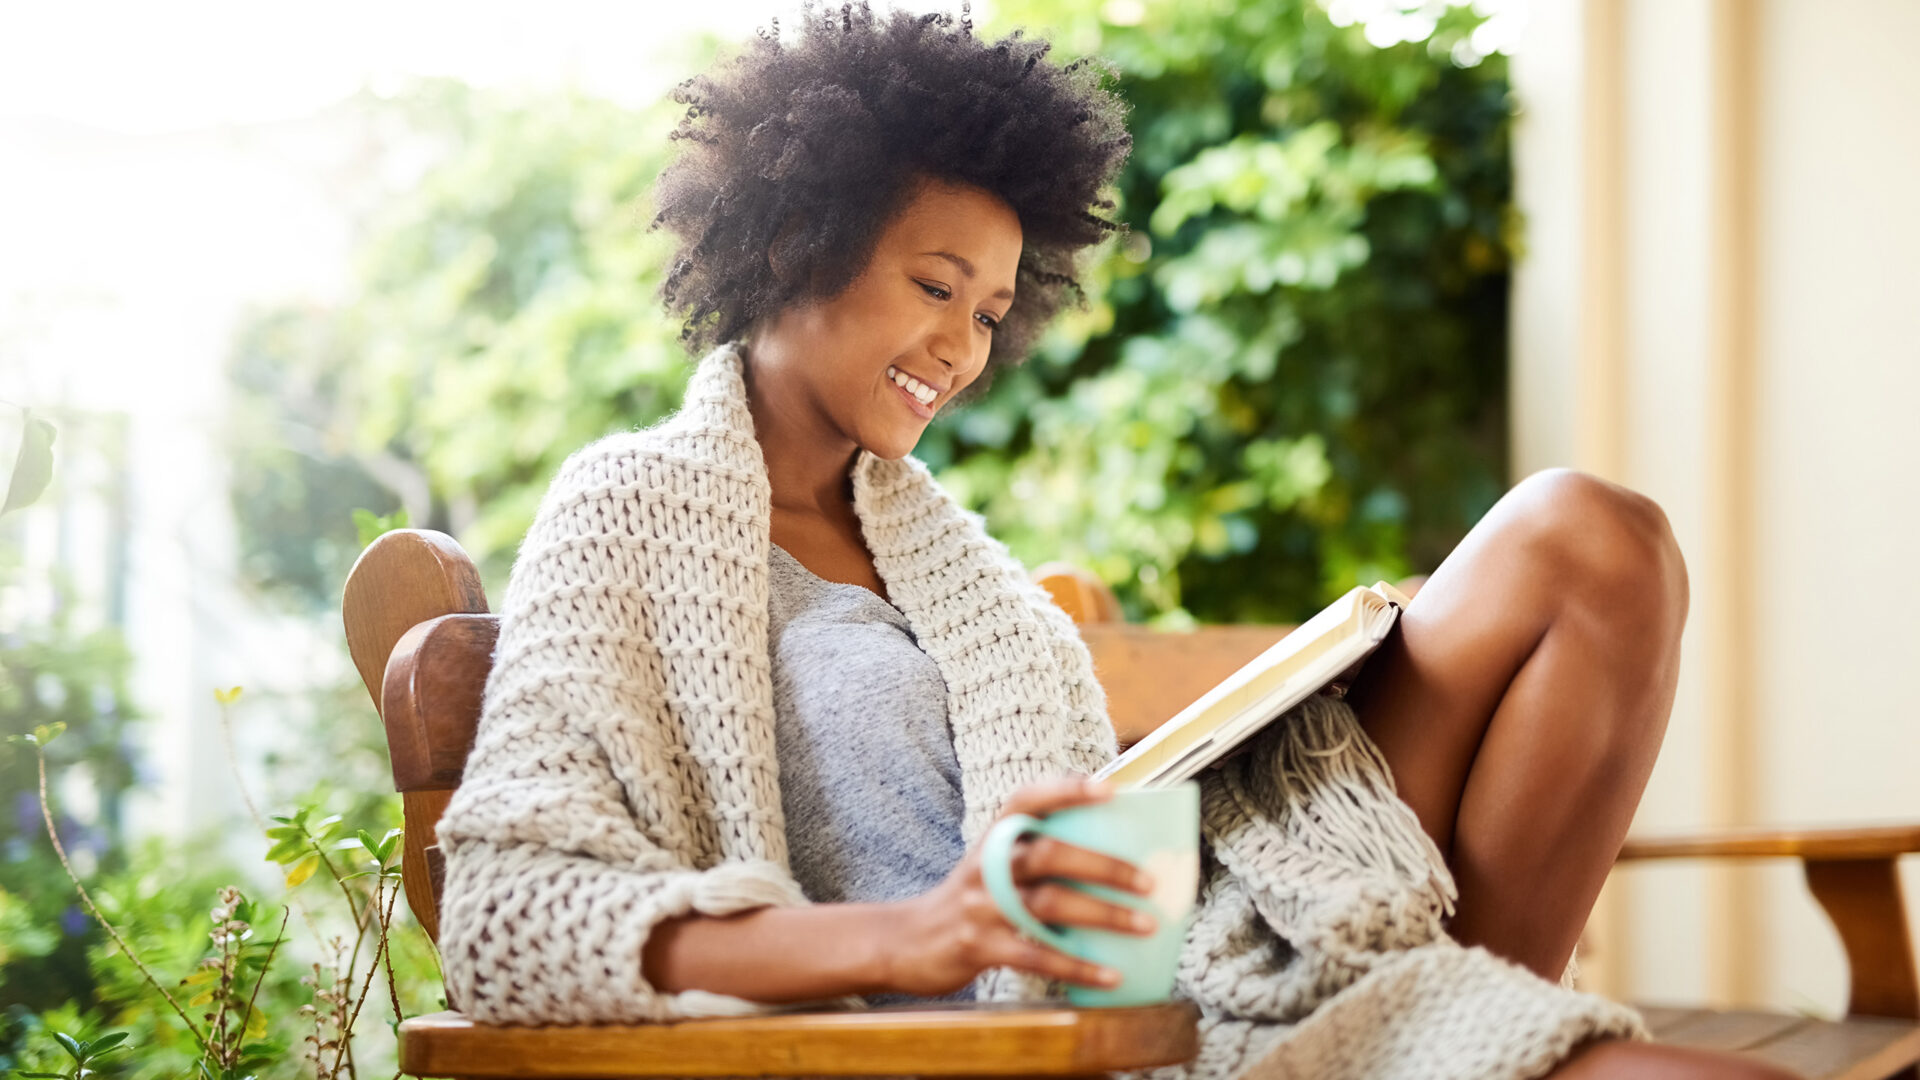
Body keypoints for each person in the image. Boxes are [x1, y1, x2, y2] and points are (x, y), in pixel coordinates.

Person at [433, 4, 1796, 1077]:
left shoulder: (955, 569)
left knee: (1588, 537)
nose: (962, 348)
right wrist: (911, 938)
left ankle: (1470, 1029)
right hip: (1061, 1033)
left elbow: (1093, 821)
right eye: (934, 287)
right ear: (796, 237)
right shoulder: (631, 508)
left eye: (990, 312)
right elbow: (505, 913)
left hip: (1214, 945)